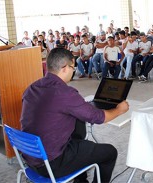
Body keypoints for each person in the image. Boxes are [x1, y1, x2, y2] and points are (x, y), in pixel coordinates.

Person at [20, 48, 129, 183]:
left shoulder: (32, 87)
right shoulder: (65, 92)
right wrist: (119, 110)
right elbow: (99, 118)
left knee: (79, 129)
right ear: (65, 68)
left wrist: (80, 106)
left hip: (30, 157)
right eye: (73, 67)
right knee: (110, 152)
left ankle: (80, 180)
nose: (73, 71)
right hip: (51, 164)